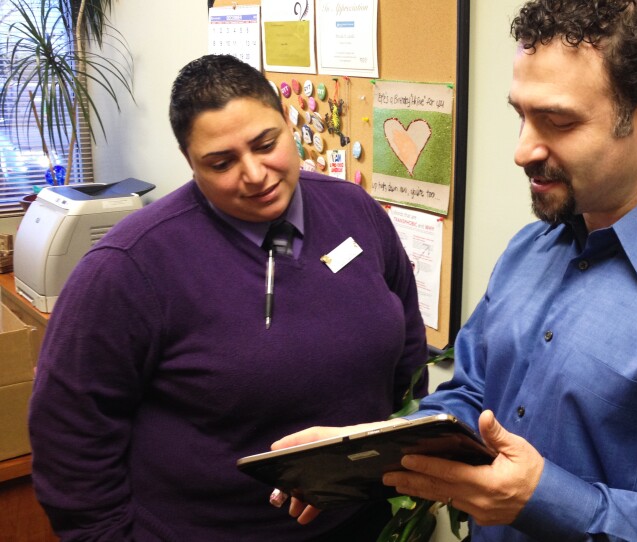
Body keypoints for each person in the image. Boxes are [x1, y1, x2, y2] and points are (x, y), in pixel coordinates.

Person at [273, 1, 637, 540]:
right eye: (521, 114)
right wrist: (363, 453)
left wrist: (545, 500)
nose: (522, 150)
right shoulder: (530, 250)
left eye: (558, 121)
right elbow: (472, 397)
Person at [28, 54, 428, 541]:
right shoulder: (127, 268)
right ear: (190, 163)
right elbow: (69, 438)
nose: (255, 174)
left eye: (266, 144)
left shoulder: (354, 211)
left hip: (360, 523)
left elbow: (407, 349)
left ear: (288, 124)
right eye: (222, 163)